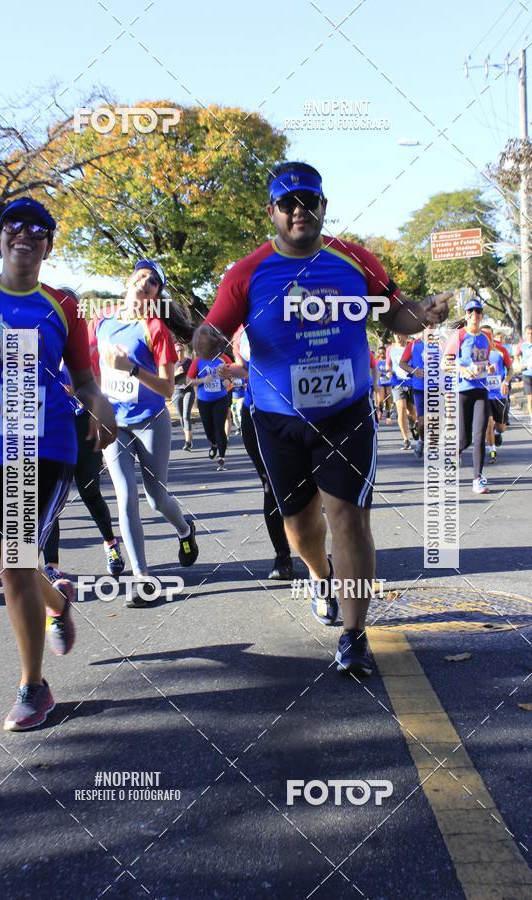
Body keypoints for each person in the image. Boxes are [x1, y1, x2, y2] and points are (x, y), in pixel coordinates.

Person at [193, 160, 450, 676]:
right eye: (287, 203)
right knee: (300, 526)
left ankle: (354, 636)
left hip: (345, 414)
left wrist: (423, 313)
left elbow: (396, 315)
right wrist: (204, 340)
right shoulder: (246, 273)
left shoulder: (354, 260)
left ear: (323, 206)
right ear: (271, 212)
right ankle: (319, 573)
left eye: (308, 201)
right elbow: (210, 336)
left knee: (349, 518)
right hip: (277, 420)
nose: (299, 211)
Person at [0, 198, 117, 731]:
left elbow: (85, 380)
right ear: (0, 237)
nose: (26, 234)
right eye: (15, 225)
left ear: (48, 245)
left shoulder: (62, 304)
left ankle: (34, 687)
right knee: (14, 560)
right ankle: (57, 601)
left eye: (39, 229)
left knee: (15, 560)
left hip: (48, 444)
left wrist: (100, 404)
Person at [96, 259, 199, 607]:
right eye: (141, 275)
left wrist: (131, 368)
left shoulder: (154, 328)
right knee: (125, 497)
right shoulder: (103, 321)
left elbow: (168, 388)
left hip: (150, 421)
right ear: (130, 279)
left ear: (156, 294)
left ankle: (184, 529)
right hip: (115, 422)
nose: (145, 281)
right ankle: (142, 579)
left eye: (153, 281)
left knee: (156, 498)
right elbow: (94, 370)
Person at [42, 288, 125, 581]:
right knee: (49, 499)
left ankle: (111, 544)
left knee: (89, 491)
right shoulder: (40, 342)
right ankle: (51, 565)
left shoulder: (89, 346)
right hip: (51, 427)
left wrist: (79, 394)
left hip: (82, 425)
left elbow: (103, 388)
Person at [219, 327, 294, 580]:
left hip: (294, 408)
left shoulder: (291, 311)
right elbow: (245, 368)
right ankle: (282, 556)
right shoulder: (238, 330)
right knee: (269, 484)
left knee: (306, 483)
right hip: (256, 410)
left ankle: (319, 552)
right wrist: (230, 370)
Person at [443, 298, 492, 494]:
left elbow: (486, 361)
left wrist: (489, 367)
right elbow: (445, 363)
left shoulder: (486, 337)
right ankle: (455, 451)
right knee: (464, 439)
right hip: (463, 390)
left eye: (478, 311)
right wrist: (462, 369)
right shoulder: (460, 336)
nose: (475, 314)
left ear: (481, 315)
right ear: (466, 315)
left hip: (481, 389)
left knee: (480, 435)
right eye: (471, 311)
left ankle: (477, 479)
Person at [186, 350, 233, 471]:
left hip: (221, 399)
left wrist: (227, 381)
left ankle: (221, 458)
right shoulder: (198, 361)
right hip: (204, 400)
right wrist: (203, 380)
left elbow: (232, 376)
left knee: (219, 428)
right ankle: (214, 444)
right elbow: (188, 381)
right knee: (208, 430)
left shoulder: (224, 358)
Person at [481, 325, 512, 462]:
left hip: (499, 394)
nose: (486, 337)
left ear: (492, 336)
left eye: (489, 335)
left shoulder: (501, 350)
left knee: (501, 427)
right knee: (488, 423)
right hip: (483, 393)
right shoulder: (477, 351)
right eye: (483, 335)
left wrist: (506, 382)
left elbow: (510, 369)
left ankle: (497, 433)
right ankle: (492, 451)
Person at [386, 333, 418, 450]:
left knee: (412, 412)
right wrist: (389, 372)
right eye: (395, 334)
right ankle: (406, 439)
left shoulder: (412, 347)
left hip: (412, 383)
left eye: (400, 334)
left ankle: (413, 425)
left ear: (405, 335)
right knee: (401, 409)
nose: (398, 337)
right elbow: (388, 365)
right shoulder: (390, 349)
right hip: (397, 383)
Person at [172, 342, 195, 450]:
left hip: (188, 391)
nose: (179, 352)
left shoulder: (189, 362)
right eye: (177, 351)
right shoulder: (171, 363)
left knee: (186, 416)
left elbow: (195, 375)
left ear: (184, 351)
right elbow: (166, 379)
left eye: (181, 350)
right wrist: (176, 373)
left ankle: (188, 442)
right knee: (181, 417)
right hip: (176, 391)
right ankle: (188, 436)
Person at [513, 324, 532, 426]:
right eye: (528, 333)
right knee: (530, 397)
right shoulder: (522, 345)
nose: (530, 335)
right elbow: (516, 355)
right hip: (527, 373)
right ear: (525, 334)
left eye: (531, 333)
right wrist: (519, 363)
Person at [374, 345, 393, 424]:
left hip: (388, 382)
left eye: (383, 353)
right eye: (380, 353)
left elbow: (392, 369)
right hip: (380, 382)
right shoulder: (376, 361)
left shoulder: (389, 361)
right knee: (380, 400)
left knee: (388, 399)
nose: (382, 355)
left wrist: (390, 372)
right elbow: (373, 370)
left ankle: (388, 416)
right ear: (378, 353)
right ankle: (380, 411)